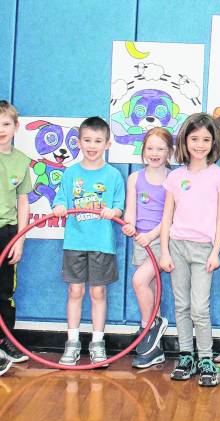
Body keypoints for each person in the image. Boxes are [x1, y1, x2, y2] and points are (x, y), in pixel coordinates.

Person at [159, 113, 220, 387]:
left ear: (214, 144)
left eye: (206, 140)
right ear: (185, 141)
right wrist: (164, 250)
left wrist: (215, 252)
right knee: (182, 305)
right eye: (194, 139)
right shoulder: (175, 177)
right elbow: (167, 217)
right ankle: (186, 355)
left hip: (204, 251)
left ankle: (206, 357)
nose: (199, 145)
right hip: (177, 247)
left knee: (200, 307)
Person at [52, 117, 125, 366]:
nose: (92, 145)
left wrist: (112, 212)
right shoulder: (71, 173)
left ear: (107, 143)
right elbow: (60, 200)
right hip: (75, 242)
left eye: (97, 140)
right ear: (79, 142)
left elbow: (119, 207)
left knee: (98, 291)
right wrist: (60, 206)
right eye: (87, 140)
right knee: (75, 290)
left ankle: (97, 342)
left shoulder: (113, 175)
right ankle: (72, 342)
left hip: (102, 244)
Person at [121, 128, 173, 368]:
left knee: (139, 281)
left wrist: (151, 235)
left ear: (169, 152)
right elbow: (130, 210)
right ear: (143, 152)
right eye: (150, 148)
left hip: (161, 240)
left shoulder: (172, 179)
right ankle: (156, 350)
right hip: (140, 240)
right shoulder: (135, 178)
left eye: (160, 148)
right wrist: (129, 226)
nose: (155, 153)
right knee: (151, 288)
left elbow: (171, 216)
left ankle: (149, 325)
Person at [0, 101, 33, 375]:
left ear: (15, 127)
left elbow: (24, 202)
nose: (1, 130)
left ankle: (6, 341)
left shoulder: (22, 161)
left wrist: (19, 239)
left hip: (7, 233)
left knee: (5, 292)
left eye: (6, 124)